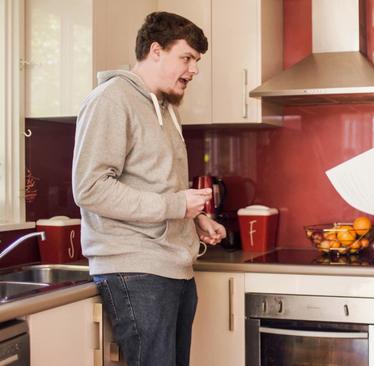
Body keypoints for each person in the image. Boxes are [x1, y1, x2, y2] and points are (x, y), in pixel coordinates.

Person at [72, 12, 226, 366]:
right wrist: (175, 206)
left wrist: (193, 217)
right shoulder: (111, 100)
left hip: (174, 266)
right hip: (136, 269)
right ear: (156, 51)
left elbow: (155, 186)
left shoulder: (167, 108)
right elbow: (91, 188)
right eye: (186, 58)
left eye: (197, 61)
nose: (194, 70)